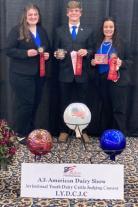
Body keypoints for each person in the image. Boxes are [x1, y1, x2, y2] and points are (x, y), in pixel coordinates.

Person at [6, 4, 50, 144]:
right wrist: (25, 53)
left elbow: (46, 47)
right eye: (30, 15)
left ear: (39, 16)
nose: (33, 17)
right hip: (21, 75)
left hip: (39, 74)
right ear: (25, 16)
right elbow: (8, 50)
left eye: (35, 15)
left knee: (35, 103)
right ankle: (20, 133)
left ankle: (29, 130)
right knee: (25, 104)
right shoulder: (17, 30)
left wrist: (47, 54)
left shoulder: (42, 31)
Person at [54, 1, 93, 143]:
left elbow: (92, 49)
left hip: (83, 74)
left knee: (83, 104)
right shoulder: (59, 30)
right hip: (65, 74)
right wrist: (57, 54)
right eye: (71, 11)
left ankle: (82, 130)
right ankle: (64, 130)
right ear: (67, 13)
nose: (74, 13)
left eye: (76, 10)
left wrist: (87, 52)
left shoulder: (88, 30)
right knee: (64, 102)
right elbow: (55, 50)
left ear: (80, 13)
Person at [91, 17, 132, 135]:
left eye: (111, 27)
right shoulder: (98, 42)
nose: (108, 29)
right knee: (106, 108)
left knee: (118, 110)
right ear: (102, 28)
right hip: (102, 79)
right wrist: (92, 63)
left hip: (117, 80)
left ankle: (119, 136)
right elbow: (93, 59)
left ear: (115, 28)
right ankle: (106, 135)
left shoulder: (122, 42)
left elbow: (130, 61)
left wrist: (121, 62)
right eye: (106, 27)